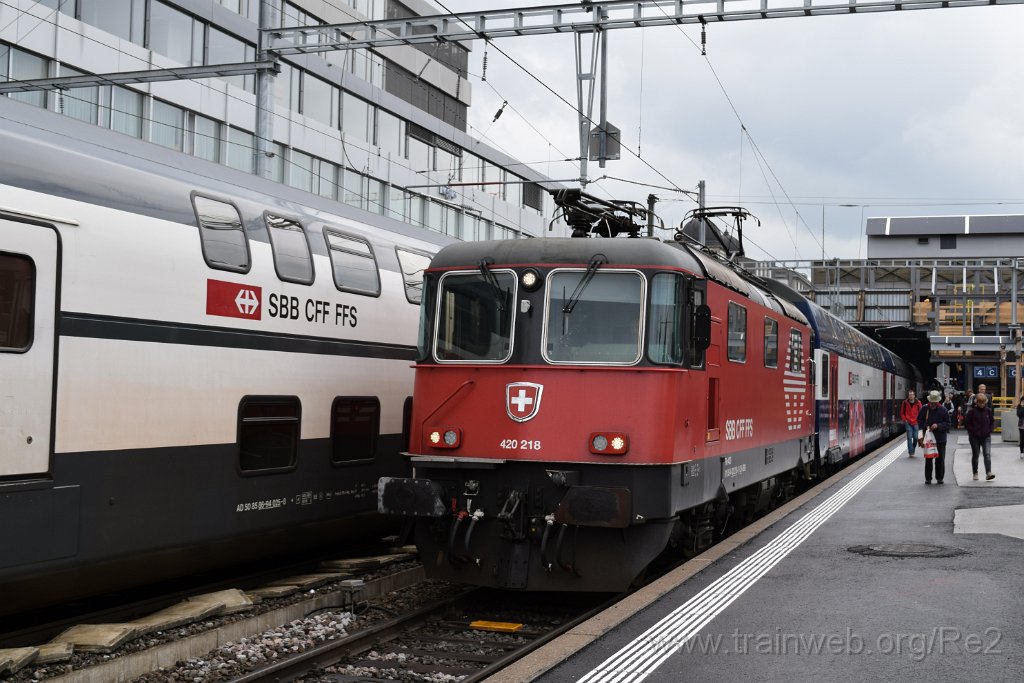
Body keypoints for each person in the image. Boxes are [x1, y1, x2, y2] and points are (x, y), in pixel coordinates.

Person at [918, 390, 951, 485]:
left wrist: (938, 426)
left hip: (940, 438)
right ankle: (928, 478)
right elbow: (919, 421)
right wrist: (926, 426)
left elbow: (948, 424)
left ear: (938, 402)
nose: (932, 404)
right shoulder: (924, 409)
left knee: (940, 459)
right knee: (928, 459)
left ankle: (939, 478)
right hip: (928, 438)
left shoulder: (943, 410)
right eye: (931, 402)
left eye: (934, 402)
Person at [965, 393, 995, 481]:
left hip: (986, 436)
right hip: (974, 437)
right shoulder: (972, 412)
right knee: (976, 455)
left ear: (985, 402)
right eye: (980, 402)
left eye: (983, 403)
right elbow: (967, 424)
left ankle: (988, 472)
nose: (982, 404)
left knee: (987, 454)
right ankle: (975, 473)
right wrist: (973, 431)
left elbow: (992, 422)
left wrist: (990, 430)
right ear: (976, 402)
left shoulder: (988, 411)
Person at [900, 390, 922, 457]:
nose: (911, 396)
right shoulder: (905, 403)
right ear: (908, 396)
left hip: (916, 422)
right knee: (909, 437)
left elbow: (921, 412)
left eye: (912, 395)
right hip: (908, 422)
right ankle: (911, 453)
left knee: (915, 437)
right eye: (909, 395)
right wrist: (905, 420)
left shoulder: (918, 403)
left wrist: (920, 420)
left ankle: (913, 449)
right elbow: (902, 413)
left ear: (914, 395)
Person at [1017, 394, 1024, 459]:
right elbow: (1019, 414)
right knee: (1022, 440)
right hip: (1022, 426)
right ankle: (1022, 452)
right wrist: (1022, 407)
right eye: (1022, 400)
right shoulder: (1019, 406)